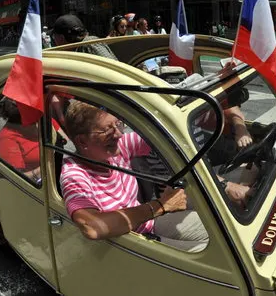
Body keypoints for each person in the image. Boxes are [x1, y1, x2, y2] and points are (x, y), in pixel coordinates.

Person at [60, 101, 252, 252]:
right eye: (108, 131)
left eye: (118, 125)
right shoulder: (74, 175)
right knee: (214, 248)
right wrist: (160, 206)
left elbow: (164, 135)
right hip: (131, 239)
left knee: (221, 224)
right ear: (82, 141)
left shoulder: (118, 148)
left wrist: (224, 92)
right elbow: (92, 227)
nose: (119, 134)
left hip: (148, 221)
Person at [0, 98, 42, 183]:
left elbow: (67, 141)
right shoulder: (6, 139)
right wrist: (45, 168)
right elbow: (18, 179)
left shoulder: (42, 121)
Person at [51, 14, 117, 60]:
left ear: (61, 38)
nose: (54, 41)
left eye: (54, 37)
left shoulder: (89, 44)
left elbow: (114, 71)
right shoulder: (79, 50)